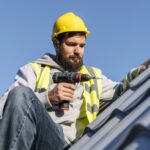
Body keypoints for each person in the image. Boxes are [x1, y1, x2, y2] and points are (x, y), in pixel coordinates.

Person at [0, 12, 148, 150]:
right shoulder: (34, 70)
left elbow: (122, 88)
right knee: (20, 94)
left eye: (82, 45)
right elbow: (6, 107)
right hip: (36, 140)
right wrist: (48, 97)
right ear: (56, 44)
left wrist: (141, 70)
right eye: (71, 44)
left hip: (70, 145)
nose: (78, 51)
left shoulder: (91, 76)